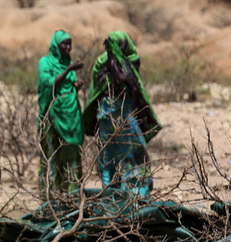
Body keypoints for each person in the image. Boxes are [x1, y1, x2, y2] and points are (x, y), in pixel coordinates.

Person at [83, 31, 162, 197]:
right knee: (134, 153)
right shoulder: (129, 63)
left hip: (105, 115)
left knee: (108, 155)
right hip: (124, 116)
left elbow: (95, 91)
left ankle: (111, 192)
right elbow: (137, 90)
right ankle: (138, 194)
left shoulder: (102, 62)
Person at [37, 30, 85, 195]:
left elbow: (65, 88)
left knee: (71, 155)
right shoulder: (45, 63)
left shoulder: (67, 63)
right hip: (52, 115)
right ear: (55, 46)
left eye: (70, 43)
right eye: (64, 44)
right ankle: (50, 196)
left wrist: (75, 86)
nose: (68, 47)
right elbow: (49, 84)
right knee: (52, 154)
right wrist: (69, 69)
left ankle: (70, 194)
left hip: (70, 115)